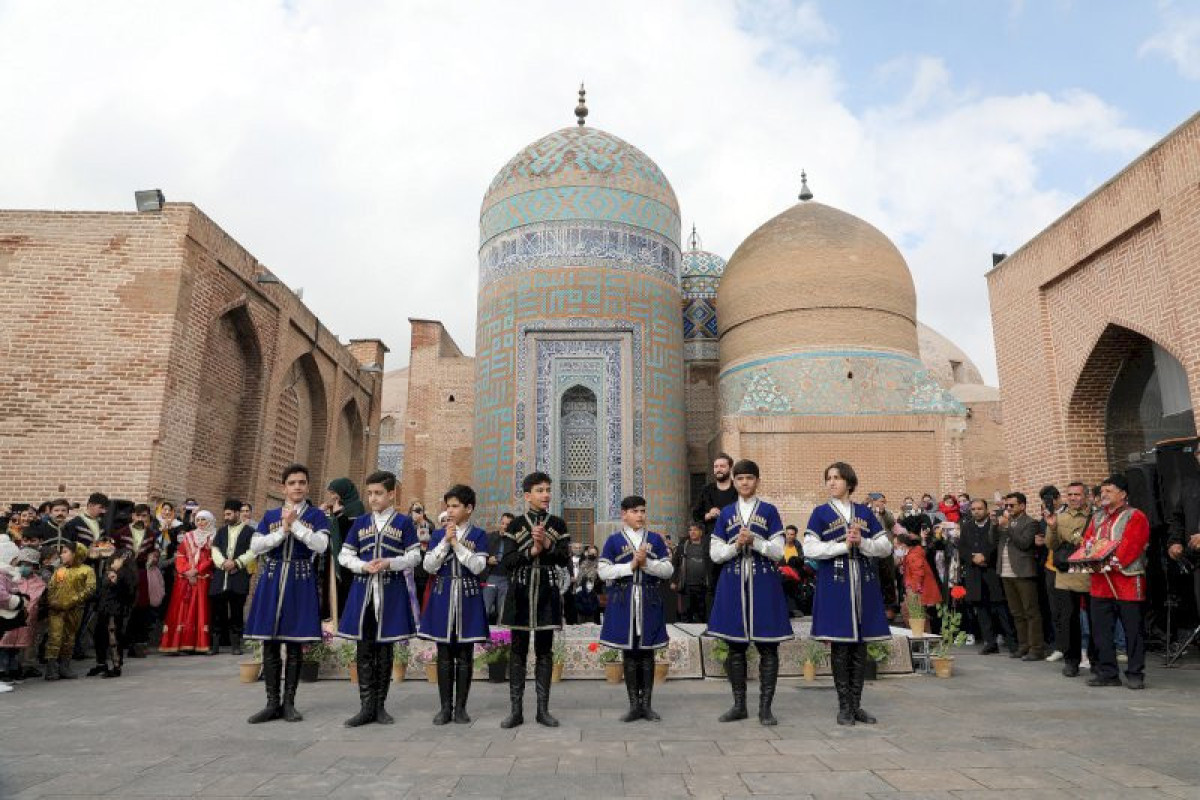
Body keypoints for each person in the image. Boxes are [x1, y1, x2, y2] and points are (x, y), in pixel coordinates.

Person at [803, 462, 893, 726]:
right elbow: (810, 548)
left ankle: (856, 705)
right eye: (828, 478)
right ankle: (843, 706)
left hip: (863, 584)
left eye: (837, 478)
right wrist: (842, 546)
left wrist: (862, 542)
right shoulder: (820, 513)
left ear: (849, 483)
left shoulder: (864, 512)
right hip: (835, 583)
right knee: (840, 645)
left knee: (860, 645)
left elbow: (885, 546)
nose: (832, 483)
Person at [706, 459, 791, 726]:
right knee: (735, 648)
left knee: (768, 648)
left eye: (749, 478)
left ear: (757, 481)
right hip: (733, 585)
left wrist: (755, 541)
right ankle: (739, 705)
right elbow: (715, 554)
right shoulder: (726, 513)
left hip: (764, 584)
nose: (744, 483)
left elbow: (779, 551)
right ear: (734, 481)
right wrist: (735, 545)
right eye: (740, 478)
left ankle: (766, 708)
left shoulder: (769, 511)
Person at [244, 464, 330, 723]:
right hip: (272, 579)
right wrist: (282, 530)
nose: (297, 487)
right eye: (292, 483)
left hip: (299, 580)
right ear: (284, 487)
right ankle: (272, 702)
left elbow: (322, 545)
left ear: (307, 486)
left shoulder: (316, 516)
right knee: (269, 643)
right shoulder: (271, 516)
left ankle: (290, 702)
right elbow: (256, 545)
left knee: (294, 644)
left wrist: (297, 528)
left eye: (302, 482)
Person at [337, 470, 421, 727]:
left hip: (390, 591)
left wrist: (390, 562)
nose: (373, 498)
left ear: (391, 494)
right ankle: (365, 707)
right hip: (363, 591)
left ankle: (380, 706)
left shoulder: (404, 522)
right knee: (364, 649)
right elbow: (344, 555)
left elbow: (415, 556)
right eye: (370, 493)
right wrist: (362, 566)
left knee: (385, 649)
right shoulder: (360, 522)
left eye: (378, 493)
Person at [499, 471, 570, 728]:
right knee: (517, 651)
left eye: (548, 489)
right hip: (520, 590)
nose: (546, 495)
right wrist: (532, 551)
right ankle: (516, 711)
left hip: (546, 592)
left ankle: (542, 710)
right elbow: (507, 562)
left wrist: (548, 547)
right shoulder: (516, 525)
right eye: (540, 490)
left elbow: (564, 558)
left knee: (544, 651)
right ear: (527, 495)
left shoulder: (558, 524)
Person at [598, 495, 673, 722]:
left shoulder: (655, 540)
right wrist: (630, 566)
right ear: (624, 514)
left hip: (649, 598)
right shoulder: (613, 541)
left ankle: (647, 705)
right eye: (635, 511)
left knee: (648, 652)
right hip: (624, 598)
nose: (640, 515)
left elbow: (668, 570)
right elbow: (603, 571)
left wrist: (647, 564)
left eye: (642, 511)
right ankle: (633, 705)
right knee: (629, 652)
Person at [419, 483, 489, 725]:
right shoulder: (438, 534)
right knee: (444, 654)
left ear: (469, 508)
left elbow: (479, 567)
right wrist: (445, 543)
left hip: (467, 596)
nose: (449, 511)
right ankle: (444, 707)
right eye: (447, 506)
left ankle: (461, 708)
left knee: (465, 654)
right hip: (443, 594)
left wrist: (457, 544)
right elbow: (428, 566)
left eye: (455, 506)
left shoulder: (479, 535)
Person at [1082, 475, 1150, 689]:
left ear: (1123, 494)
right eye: (1102, 491)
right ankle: (1108, 673)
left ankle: (1135, 672)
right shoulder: (1097, 518)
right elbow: (1088, 542)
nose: (1104, 495)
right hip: (1100, 583)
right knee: (1101, 631)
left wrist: (1110, 561)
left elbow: (1132, 545)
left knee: (1133, 631)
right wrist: (1089, 557)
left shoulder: (1135, 516)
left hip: (1127, 582)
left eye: (1109, 491)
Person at [1044, 482, 1093, 677]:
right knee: (1068, 620)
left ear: (1086, 496)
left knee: (1094, 621)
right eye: (1070, 494)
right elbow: (1051, 544)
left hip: (1089, 574)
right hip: (1065, 575)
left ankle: (1096, 660)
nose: (1073, 498)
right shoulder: (1060, 517)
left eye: (1077, 494)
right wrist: (1053, 528)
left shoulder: (1095, 516)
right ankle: (1071, 660)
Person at [957, 499, 1016, 654]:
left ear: (986, 510)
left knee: (1000, 608)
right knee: (981, 609)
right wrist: (972, 558)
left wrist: (985, 557)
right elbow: (962, 547)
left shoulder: (993, 525)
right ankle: (990, 642)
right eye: (974, 509)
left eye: (980, 508)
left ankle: (1011, 641)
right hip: (974, 573)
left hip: (992, 571)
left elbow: (998, 544)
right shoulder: (967, 526)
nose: (976, 511)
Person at [997, 492, 1045, 660]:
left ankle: (1036, 648)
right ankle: (1023, 645)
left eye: (1012, 505)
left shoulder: (1030, 522)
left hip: (1023, 571)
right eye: (1006, 505)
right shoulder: (1006, 523)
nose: (1008, 508)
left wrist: (1007, 527)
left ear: (1022, 506)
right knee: (1016, 612)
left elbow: (1024, 543)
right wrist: (994, 525)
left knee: (1031, 611)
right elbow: (992, 540)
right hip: (1005, 572)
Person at [159, 511, 215, 654]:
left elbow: (211, 558)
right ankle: (180, 643)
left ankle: (199, 644)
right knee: (182, 611)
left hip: (201, 578)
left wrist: (196, 571)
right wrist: (186, 571)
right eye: (198, 519)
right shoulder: (189, 536)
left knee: (199, 611)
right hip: (184, 579)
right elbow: (181, 555)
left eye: (204, 520)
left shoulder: (213, 537)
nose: (201, 522)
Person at [113, 504, 160, 658]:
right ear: (132, 516)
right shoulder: (120, 533)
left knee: (141, 609)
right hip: (124, 574)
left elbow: (155, 551)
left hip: (142, 573)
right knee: (123, 607)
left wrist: (153, 557)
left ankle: (137, 644)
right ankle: (119, 643)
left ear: (148, 518)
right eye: (138, 515)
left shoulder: (152, 534)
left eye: (144, 516)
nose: (140, 519)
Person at [693, 454, 738, 614]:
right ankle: (713, 623)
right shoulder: (707, 490)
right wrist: (708, 514)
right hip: (712, 543)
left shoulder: (737, 490)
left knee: (734, 582)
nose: (718, 470)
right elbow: (696, 515)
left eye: (722, 466)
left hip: (734, 544)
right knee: (712, 583)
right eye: (716, 466)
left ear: (729, 468)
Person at [210, 499, 255, 656]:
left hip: (239, 577)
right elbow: (214, 550)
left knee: (236, 612)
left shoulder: (249, 532)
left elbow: (253, 552)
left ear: (237, 513)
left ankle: (236, 646)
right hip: (220, 576)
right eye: (225, 514)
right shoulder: (221, 531)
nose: (226, 517)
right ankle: (215, 646)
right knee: (217, 612)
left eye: (229, 514)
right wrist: (223, 564)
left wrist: (236, 562)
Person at [44, 542, 95, 680]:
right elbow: (51, 587)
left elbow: (90, 589)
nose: (62, 555)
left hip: (75, 610)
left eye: (65, 552)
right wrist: (52, 601)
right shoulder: (59, 570)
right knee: (55, 636)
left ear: (76, 553)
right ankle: (51, 667)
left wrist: (71, 601)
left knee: (69, 638)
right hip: (56, 610)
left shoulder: (87, 570)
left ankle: (64, 666)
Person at [0, 547, 46, 682]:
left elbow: (36, 600)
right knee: (3, 647)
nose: (24, 567)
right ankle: (3, 671)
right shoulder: (10, 577)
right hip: (8, 617)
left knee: (16, 648)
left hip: (25, 620)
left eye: (28, 564)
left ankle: (14, 669)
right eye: (22, 564)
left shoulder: (39, 583)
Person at [91, 547, 137, 677]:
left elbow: (128, 593)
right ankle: (101, 663)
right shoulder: (110, 573)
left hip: (115, 610)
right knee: (99, 636)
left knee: (113, 637)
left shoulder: (126, 575)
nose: (114, 562)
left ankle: (116, 666)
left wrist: (115, 582)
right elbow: (101, 590)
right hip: (104, 608)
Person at [324, 477, 364, 621]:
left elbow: (350, 531)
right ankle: (333, 615)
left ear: (343, 491)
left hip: (350, 555)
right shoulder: (338, 507)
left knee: (346, 586)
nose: (332, 496)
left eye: (334, 493)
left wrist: (337, 515)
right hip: (335, 553)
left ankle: (345, 618)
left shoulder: (356, 507)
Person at [899, 531, 942, 627]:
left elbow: (918, 574)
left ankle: (921, 638)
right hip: (917, 590)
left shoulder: (913, 555)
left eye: (897, 545)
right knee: (915, 615)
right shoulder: (913, 554)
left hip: (917, 591)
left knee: (914, 615)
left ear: (904, 545)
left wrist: (914, 591)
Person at [671, 522, 710, 624]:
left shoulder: (707, 547)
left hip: (702, 586)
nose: (692, 532)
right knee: (685, 614)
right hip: (686, 586)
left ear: (701, 532)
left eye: (695, 530)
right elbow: (675, 564)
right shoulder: (682, 547)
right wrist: (673, 581)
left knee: (701, 615)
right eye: (690, 530)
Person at [483, 512, 513, 624]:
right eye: (503, 523)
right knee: (485, 608)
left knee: (503, 611)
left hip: (506, 579)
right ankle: (482, 636)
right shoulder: (489, 537)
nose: (504, 526)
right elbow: (479, 554)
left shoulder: (514, 541)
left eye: (507, 524)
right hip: (491, 577)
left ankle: (502, 638)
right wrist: (487, 560)